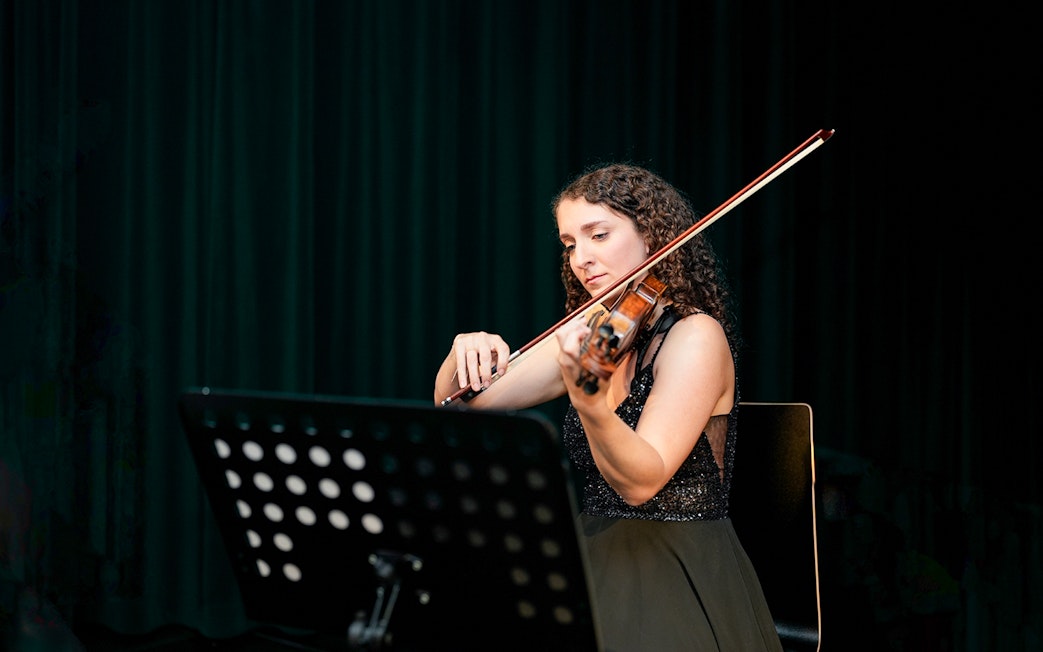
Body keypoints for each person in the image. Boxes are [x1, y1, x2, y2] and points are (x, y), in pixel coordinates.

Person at [433, 163, 783, 651]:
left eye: (598, 235)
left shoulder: (695, 336)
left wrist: (590, 403)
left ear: (651, 235)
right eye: (570, 244)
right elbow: (464, 405)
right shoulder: (604, 331)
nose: (582, 259)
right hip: (596, 556)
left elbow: (641, 483)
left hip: (676, 569)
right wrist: (462, 352)